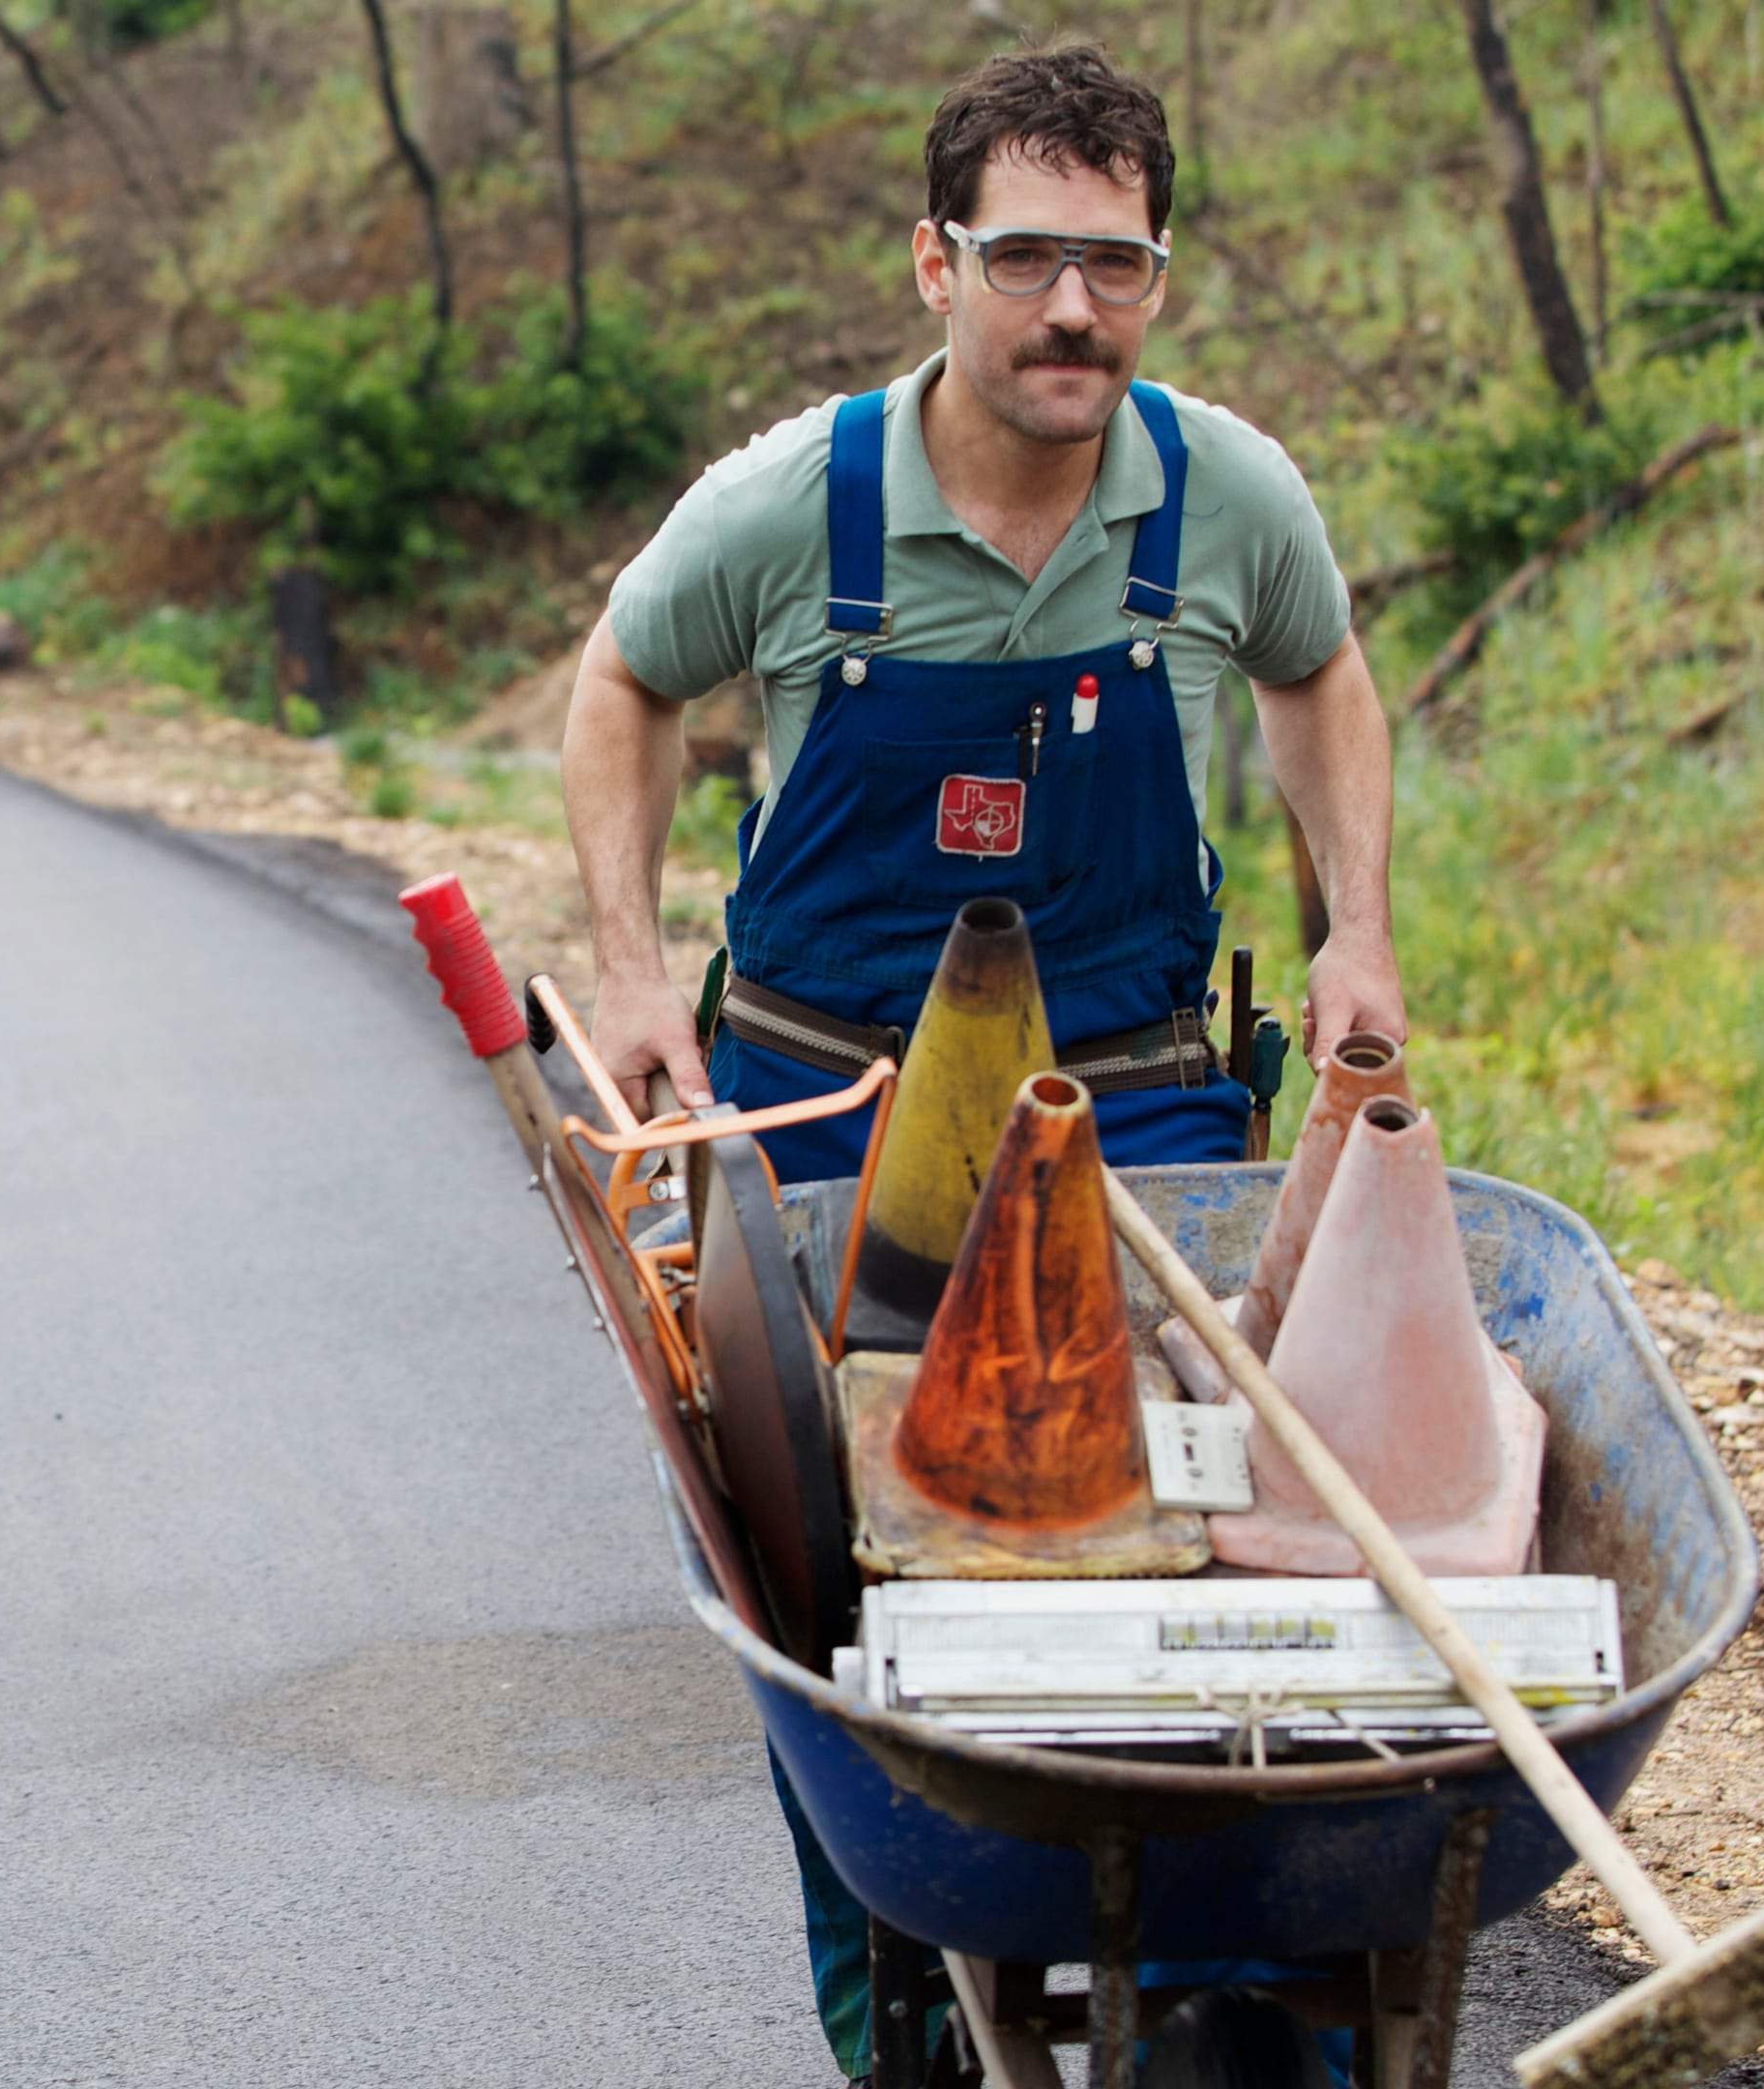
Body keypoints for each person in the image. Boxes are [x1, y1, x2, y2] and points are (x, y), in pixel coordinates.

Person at [558, 44, 1405, 2080]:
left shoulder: (1223, 495)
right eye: (1024, 258)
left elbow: (1320, 676)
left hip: (1143, 1108)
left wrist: (1356, 921)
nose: (1068, 311)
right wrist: (637, 969)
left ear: (1157, 281)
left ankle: (1237, 1973)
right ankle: (903, 2011)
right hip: (829, 1119)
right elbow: (623, 687)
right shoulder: (790, 507)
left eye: (1112, 265)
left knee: (1208, 1529)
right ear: (934, 265)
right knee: (816, 1579)